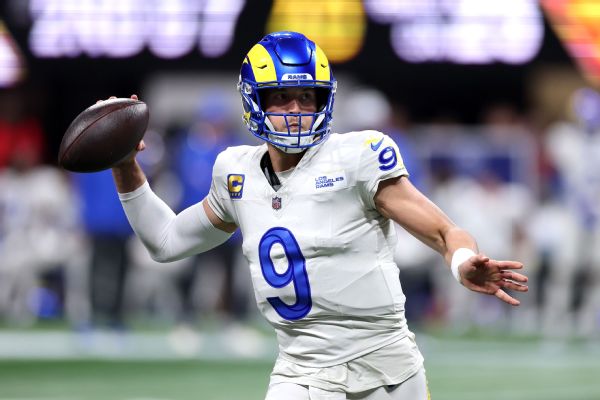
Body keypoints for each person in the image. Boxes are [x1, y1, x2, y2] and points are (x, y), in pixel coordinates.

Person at [108, 32, 528, 400]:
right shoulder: (236, 173)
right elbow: (165, 241)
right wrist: (125, 164)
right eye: (281, 96)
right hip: (302, 371)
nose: (296, 109)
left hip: (388, 369)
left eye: (307, 97)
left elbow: (444, 231)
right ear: (254, 99)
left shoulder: (357, 157)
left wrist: (461, 262)